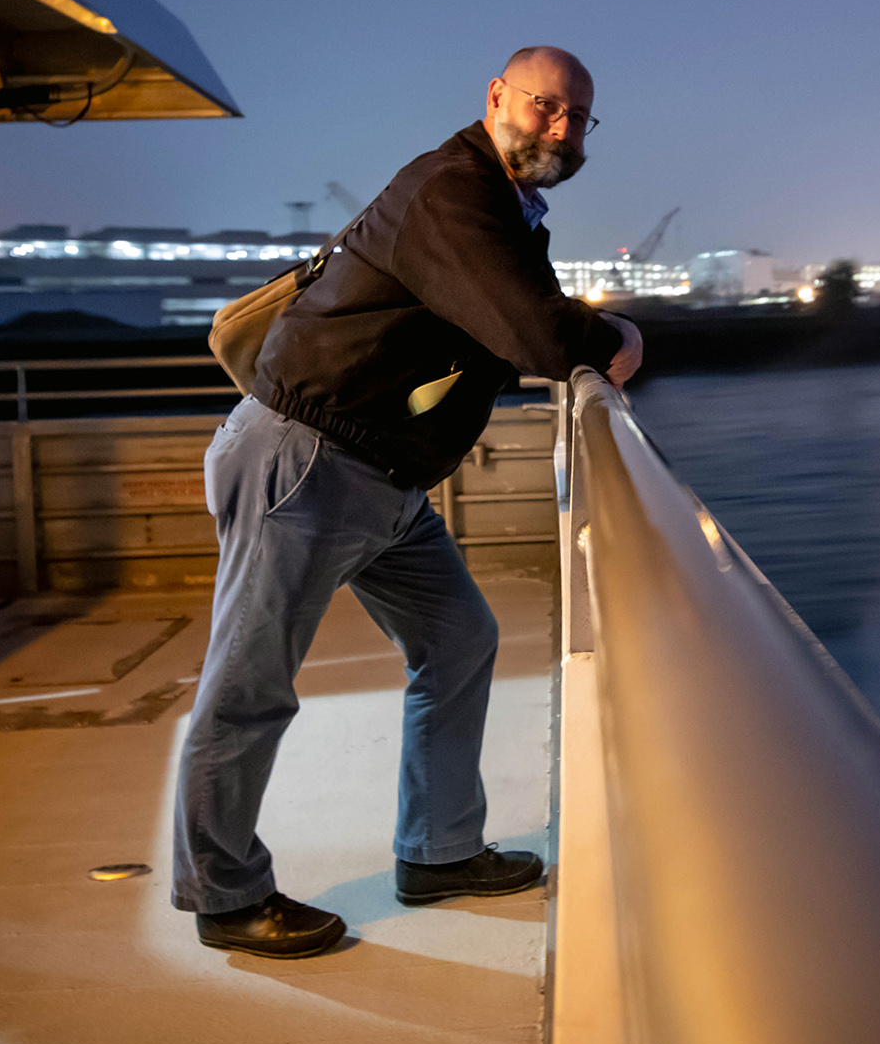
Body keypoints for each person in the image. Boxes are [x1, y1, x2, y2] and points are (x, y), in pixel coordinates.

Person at [175, 46, 644, 957]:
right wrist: (615, 332)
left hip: (381, 477)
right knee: (249, 685)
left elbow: (511, 318)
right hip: (307, 460)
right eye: (546, 106)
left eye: (577, 117)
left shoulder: (501, 205)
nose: (560, 127)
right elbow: (533, 327)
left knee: (460, 637)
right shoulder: (451, 193)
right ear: (496, 98)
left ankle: (438, 851)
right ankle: (225, 895)